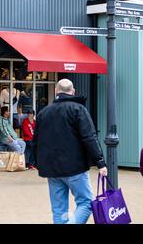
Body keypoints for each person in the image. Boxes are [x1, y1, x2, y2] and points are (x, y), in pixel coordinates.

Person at [32, 79, 108, 224]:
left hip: (52, 170)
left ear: (56, 91)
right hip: (75, 168)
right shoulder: (78, 109)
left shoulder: (43, 113)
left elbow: (35, 141)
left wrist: (37, 162)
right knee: (86, 203)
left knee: (59, 210)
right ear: (73, 92)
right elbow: (89, 137)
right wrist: (100, 163)